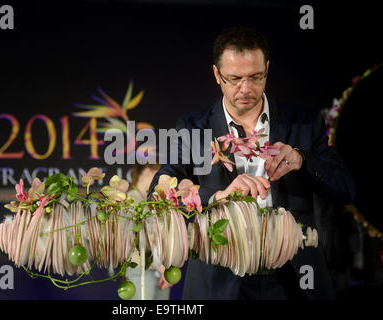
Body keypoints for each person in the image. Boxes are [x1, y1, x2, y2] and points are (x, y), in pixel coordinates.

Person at [147, 26, 355, 300]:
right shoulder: (192, 129)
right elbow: (159, 192)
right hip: (220, 280)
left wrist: (302, 160)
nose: (246, 89)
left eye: (256, 77)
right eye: (234, 79)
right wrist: (219, 195)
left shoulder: (304, 123)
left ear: (267, 69)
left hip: (293, 280)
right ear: (216, 75)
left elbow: (346, 190)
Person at [125, 163, 173, 300]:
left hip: (161, 274)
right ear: (147, 171)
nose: (162, 182)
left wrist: (165, 267)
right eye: (159, 175)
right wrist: (161, 267)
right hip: (140, 272)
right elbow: (134, 244)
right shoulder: (129, 201)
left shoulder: (153, 202)